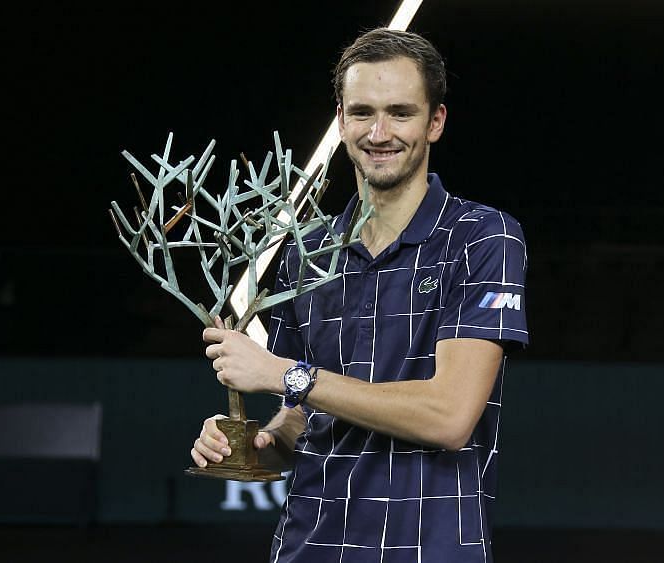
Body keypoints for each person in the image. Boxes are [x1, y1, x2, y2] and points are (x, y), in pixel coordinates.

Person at [191, 27, 529, 562]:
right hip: (309, 547)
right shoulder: (308, 253)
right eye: (362, 112)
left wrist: (287, 375)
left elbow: (450, 417)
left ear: (435, 122)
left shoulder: (483, 237)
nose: (379, 132)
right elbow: (301, 418)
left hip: (430, 549)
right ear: (342, 121)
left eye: (400, 112)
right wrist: (256, 442)